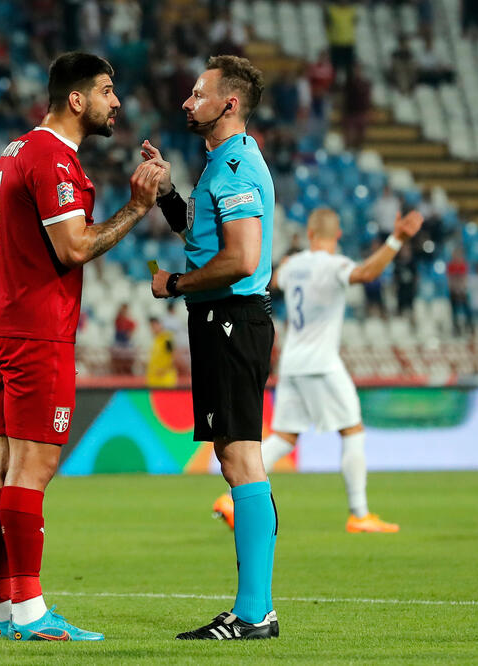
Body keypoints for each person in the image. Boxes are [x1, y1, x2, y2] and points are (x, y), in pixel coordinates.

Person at [0, 52, 164, 643]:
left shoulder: (16, 151)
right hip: (36, 330)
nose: (117, 102)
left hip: (3, 320)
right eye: (107, 91)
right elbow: (74, 248)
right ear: (76, 99)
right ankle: (31, 614)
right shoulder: (53, 159)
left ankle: (2, 610)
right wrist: (137, 208)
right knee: (35, 467)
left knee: (9, 466)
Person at [144, 54, 279, 641]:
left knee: (242, 458)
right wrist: (167, 193)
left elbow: (242, 259)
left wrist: (174, 284)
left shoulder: (238, 167)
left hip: (232, 318)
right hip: (221, 319)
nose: (186, 101)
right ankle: (254, 609)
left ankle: (254, 613)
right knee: (233, 456)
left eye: (198, 93)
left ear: (229, 103)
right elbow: (202, 235)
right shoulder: (221, 164)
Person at [215, 206, 422, 537]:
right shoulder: (334, 265)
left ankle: (230, 497)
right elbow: (367, 274)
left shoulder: (291, 265)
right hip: (321, 363)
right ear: (337, 235)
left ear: (310, 234)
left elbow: (273, 280)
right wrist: (396, 239)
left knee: (285, 438)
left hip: (292, 363)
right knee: (353, 431)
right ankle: (359, 514)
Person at [145, 316, 177, 387]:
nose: (152, 329)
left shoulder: (167, 339)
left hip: (165, 379)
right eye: (151, 327)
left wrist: (164, 370)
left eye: (154, 326)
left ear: (160, 325)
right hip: (154, 380)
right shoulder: (156, 340)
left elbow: (174, 357)